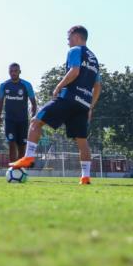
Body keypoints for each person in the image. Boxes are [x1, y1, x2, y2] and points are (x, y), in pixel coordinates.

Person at [10, 25, 102, 184]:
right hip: (83, 104)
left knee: (36, 121)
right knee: (82, 140)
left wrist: (59, 86)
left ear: (76, 37)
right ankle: (85, 177)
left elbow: (74, 71)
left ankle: (28, 157)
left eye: (69, 38)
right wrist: (90, 106)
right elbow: (98, 86)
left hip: (69, 97)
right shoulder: (94, 59)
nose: (67, 42)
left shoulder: (75, 51)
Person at [0, 63, 38, 163]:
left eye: (15, 71)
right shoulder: (4, 85)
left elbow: (33, 103)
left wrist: (33, 117)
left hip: (23, 120)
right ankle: (12, 167)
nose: (13, 73)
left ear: (19, 71)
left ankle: (20, 167)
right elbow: (1, 101)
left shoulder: (26, 85)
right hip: (10, 119)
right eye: (11, 71)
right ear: (9, 72)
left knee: (22, 145)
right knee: (11, 143)